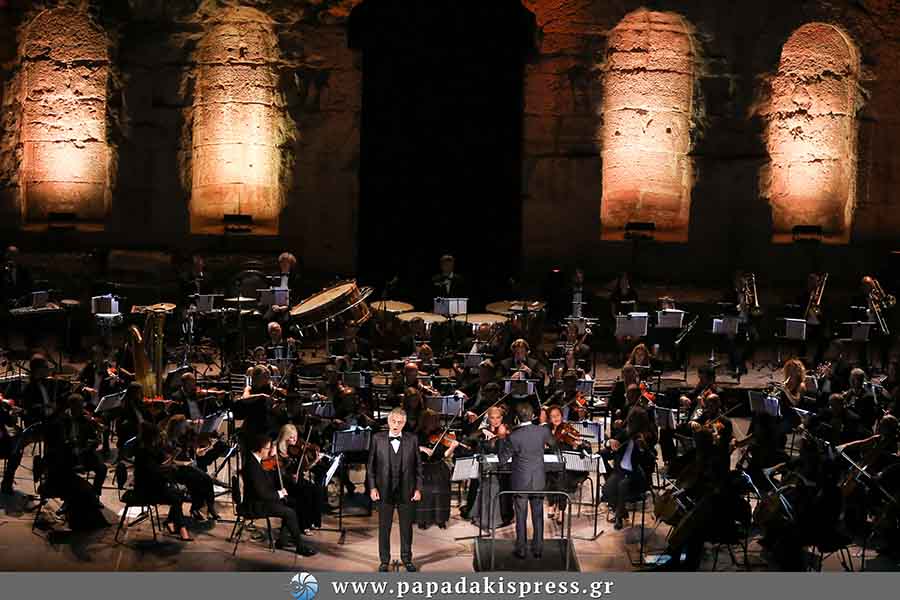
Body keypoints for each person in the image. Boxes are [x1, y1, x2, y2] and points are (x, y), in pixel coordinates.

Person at [367, 407, 423, 572]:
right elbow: (370, 466)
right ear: (388, 421)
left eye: (400, 422)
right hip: (384, 490)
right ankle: (384, 561)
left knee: (406, 528)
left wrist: (418, 489)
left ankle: (407, 559)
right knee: (384, 528)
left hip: (407, 490)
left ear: (404, 423)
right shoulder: (377, 438)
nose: (396, 425)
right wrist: (372, 487)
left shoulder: (412, 439)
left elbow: (418, 467)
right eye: (393, 421)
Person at [499, 402, 557, 559]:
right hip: (538, 479)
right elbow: (553, 444)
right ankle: (538, 549)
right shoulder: (542, 431)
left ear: (517, 418)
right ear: (533, 416)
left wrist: (502, 438)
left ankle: (522, 549)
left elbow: (502, 459)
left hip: (521, 481)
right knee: (538, 515)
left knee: (521, 516)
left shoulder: (514, 436)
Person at [243, 433, 317, 556]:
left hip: (261, 500)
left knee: (293, 504)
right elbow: (261, 493)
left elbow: (268, 479)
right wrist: (279, 493)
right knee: (289, 512)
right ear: (260, 449)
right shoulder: (252, 466)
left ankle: (282, 540)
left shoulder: (257, 460)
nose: (270, 451)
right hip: (255, 505)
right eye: (268, 448)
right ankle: (300, 546)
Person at [133, 422, 192, 541]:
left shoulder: (152, 448)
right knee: (177, 497)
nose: (159, 437)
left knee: (179, 494)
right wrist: (168, 467)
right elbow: (152, 472)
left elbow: (160, 463)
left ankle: (172, 522)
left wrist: (170, 458)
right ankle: (180, 527)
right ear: (152, 436)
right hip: (145, 489)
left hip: (154, 484)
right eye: (157, 435)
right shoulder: (143, 452)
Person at [602, 402, 652, 529]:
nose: (630, 427)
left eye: (633, 425)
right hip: (620, 472)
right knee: (607, 490)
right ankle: (622, 512)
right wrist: (610, 442)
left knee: (622, 485)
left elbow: (650, 461)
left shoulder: (645, 438)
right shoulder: (625, 433)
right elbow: (609, 445)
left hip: (635, 476)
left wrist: (643, 449)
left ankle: (619, 517)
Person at [415, 409, 458, 529]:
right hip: (423, 467)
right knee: (425, 493)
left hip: (438, 465)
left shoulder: (441, 434)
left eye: (436, 420)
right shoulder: (417, 435)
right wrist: (422, 448)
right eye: (432, 421)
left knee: (441, 491)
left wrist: (452, 447)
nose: (435, 423)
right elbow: (409, 449)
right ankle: (422, 519)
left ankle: (440, 519)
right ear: (425, 421)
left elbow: (445, 454)